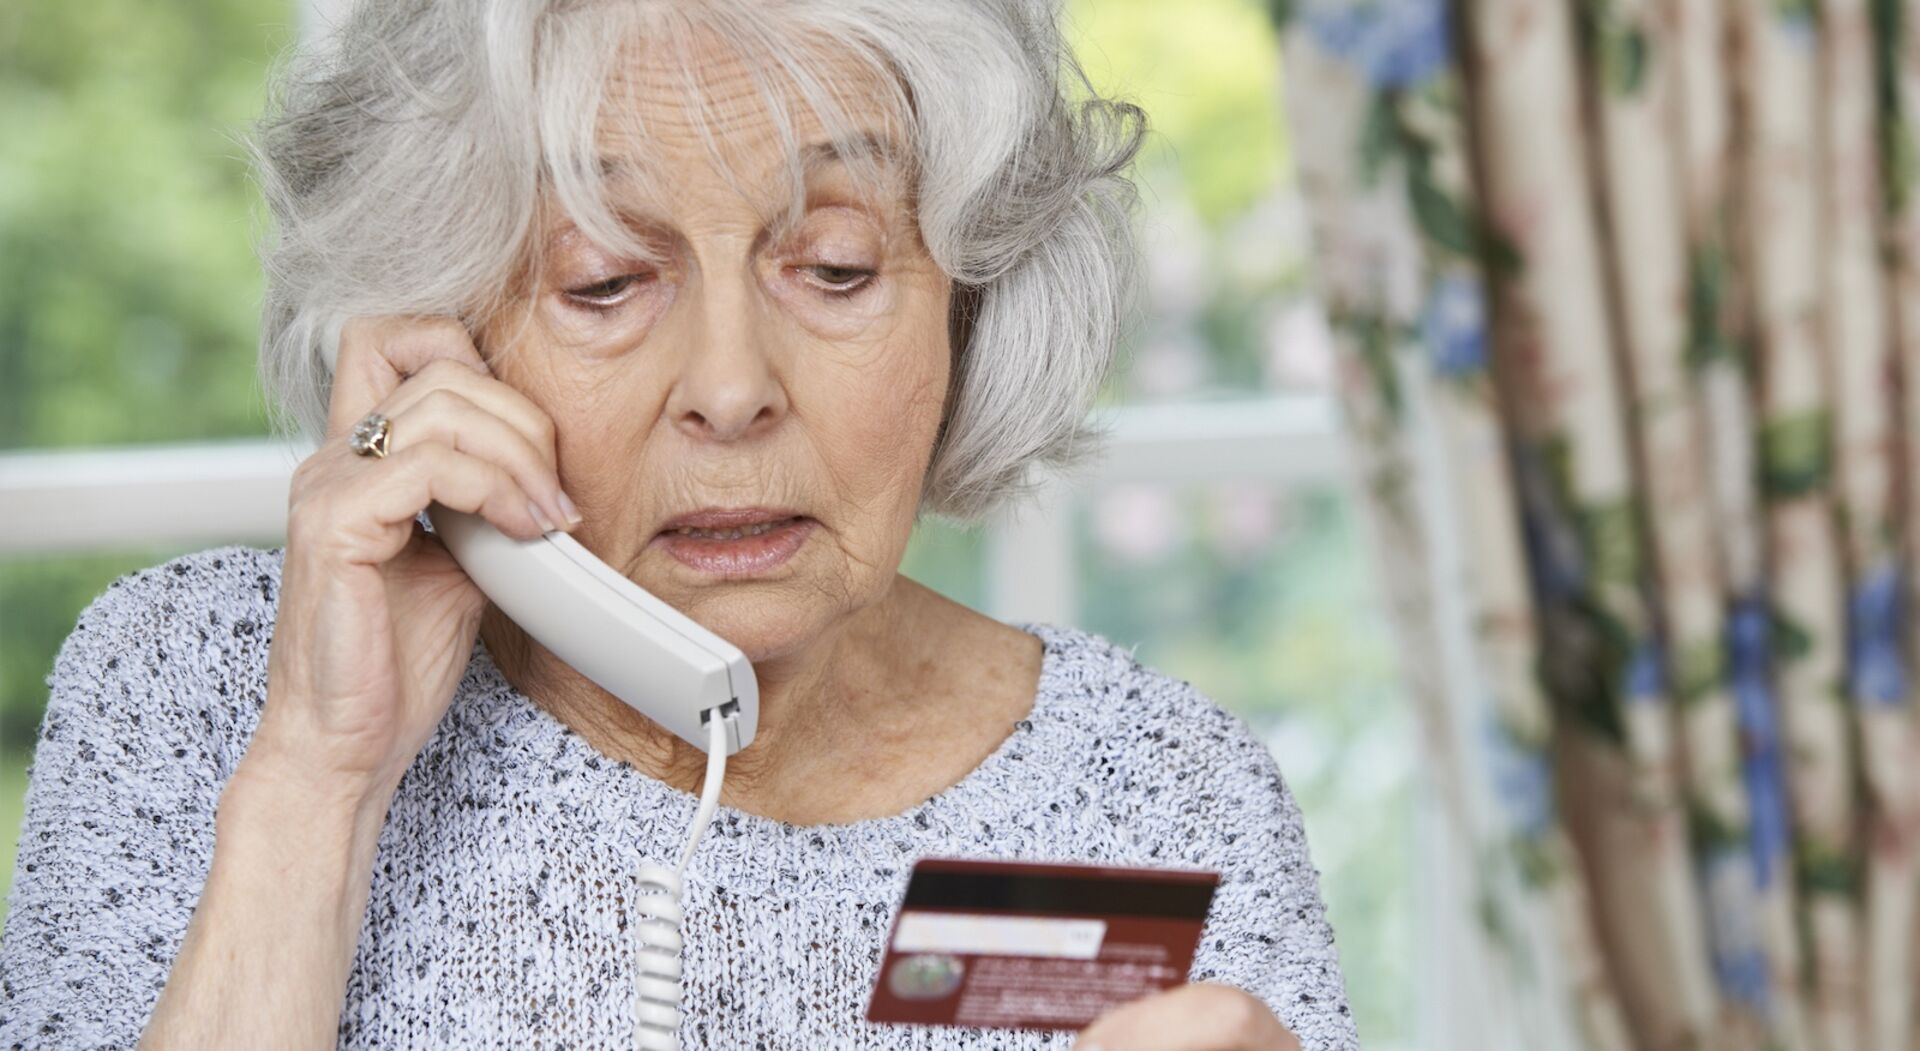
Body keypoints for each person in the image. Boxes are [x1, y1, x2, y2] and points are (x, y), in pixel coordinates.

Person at [0, 1, 1357, 1047]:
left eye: (834, 268)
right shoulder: (199, 688)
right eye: (601, 282)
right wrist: (320, 777)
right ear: (437, 336)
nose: (729, 389)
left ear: (969, 304)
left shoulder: (1163, 790)